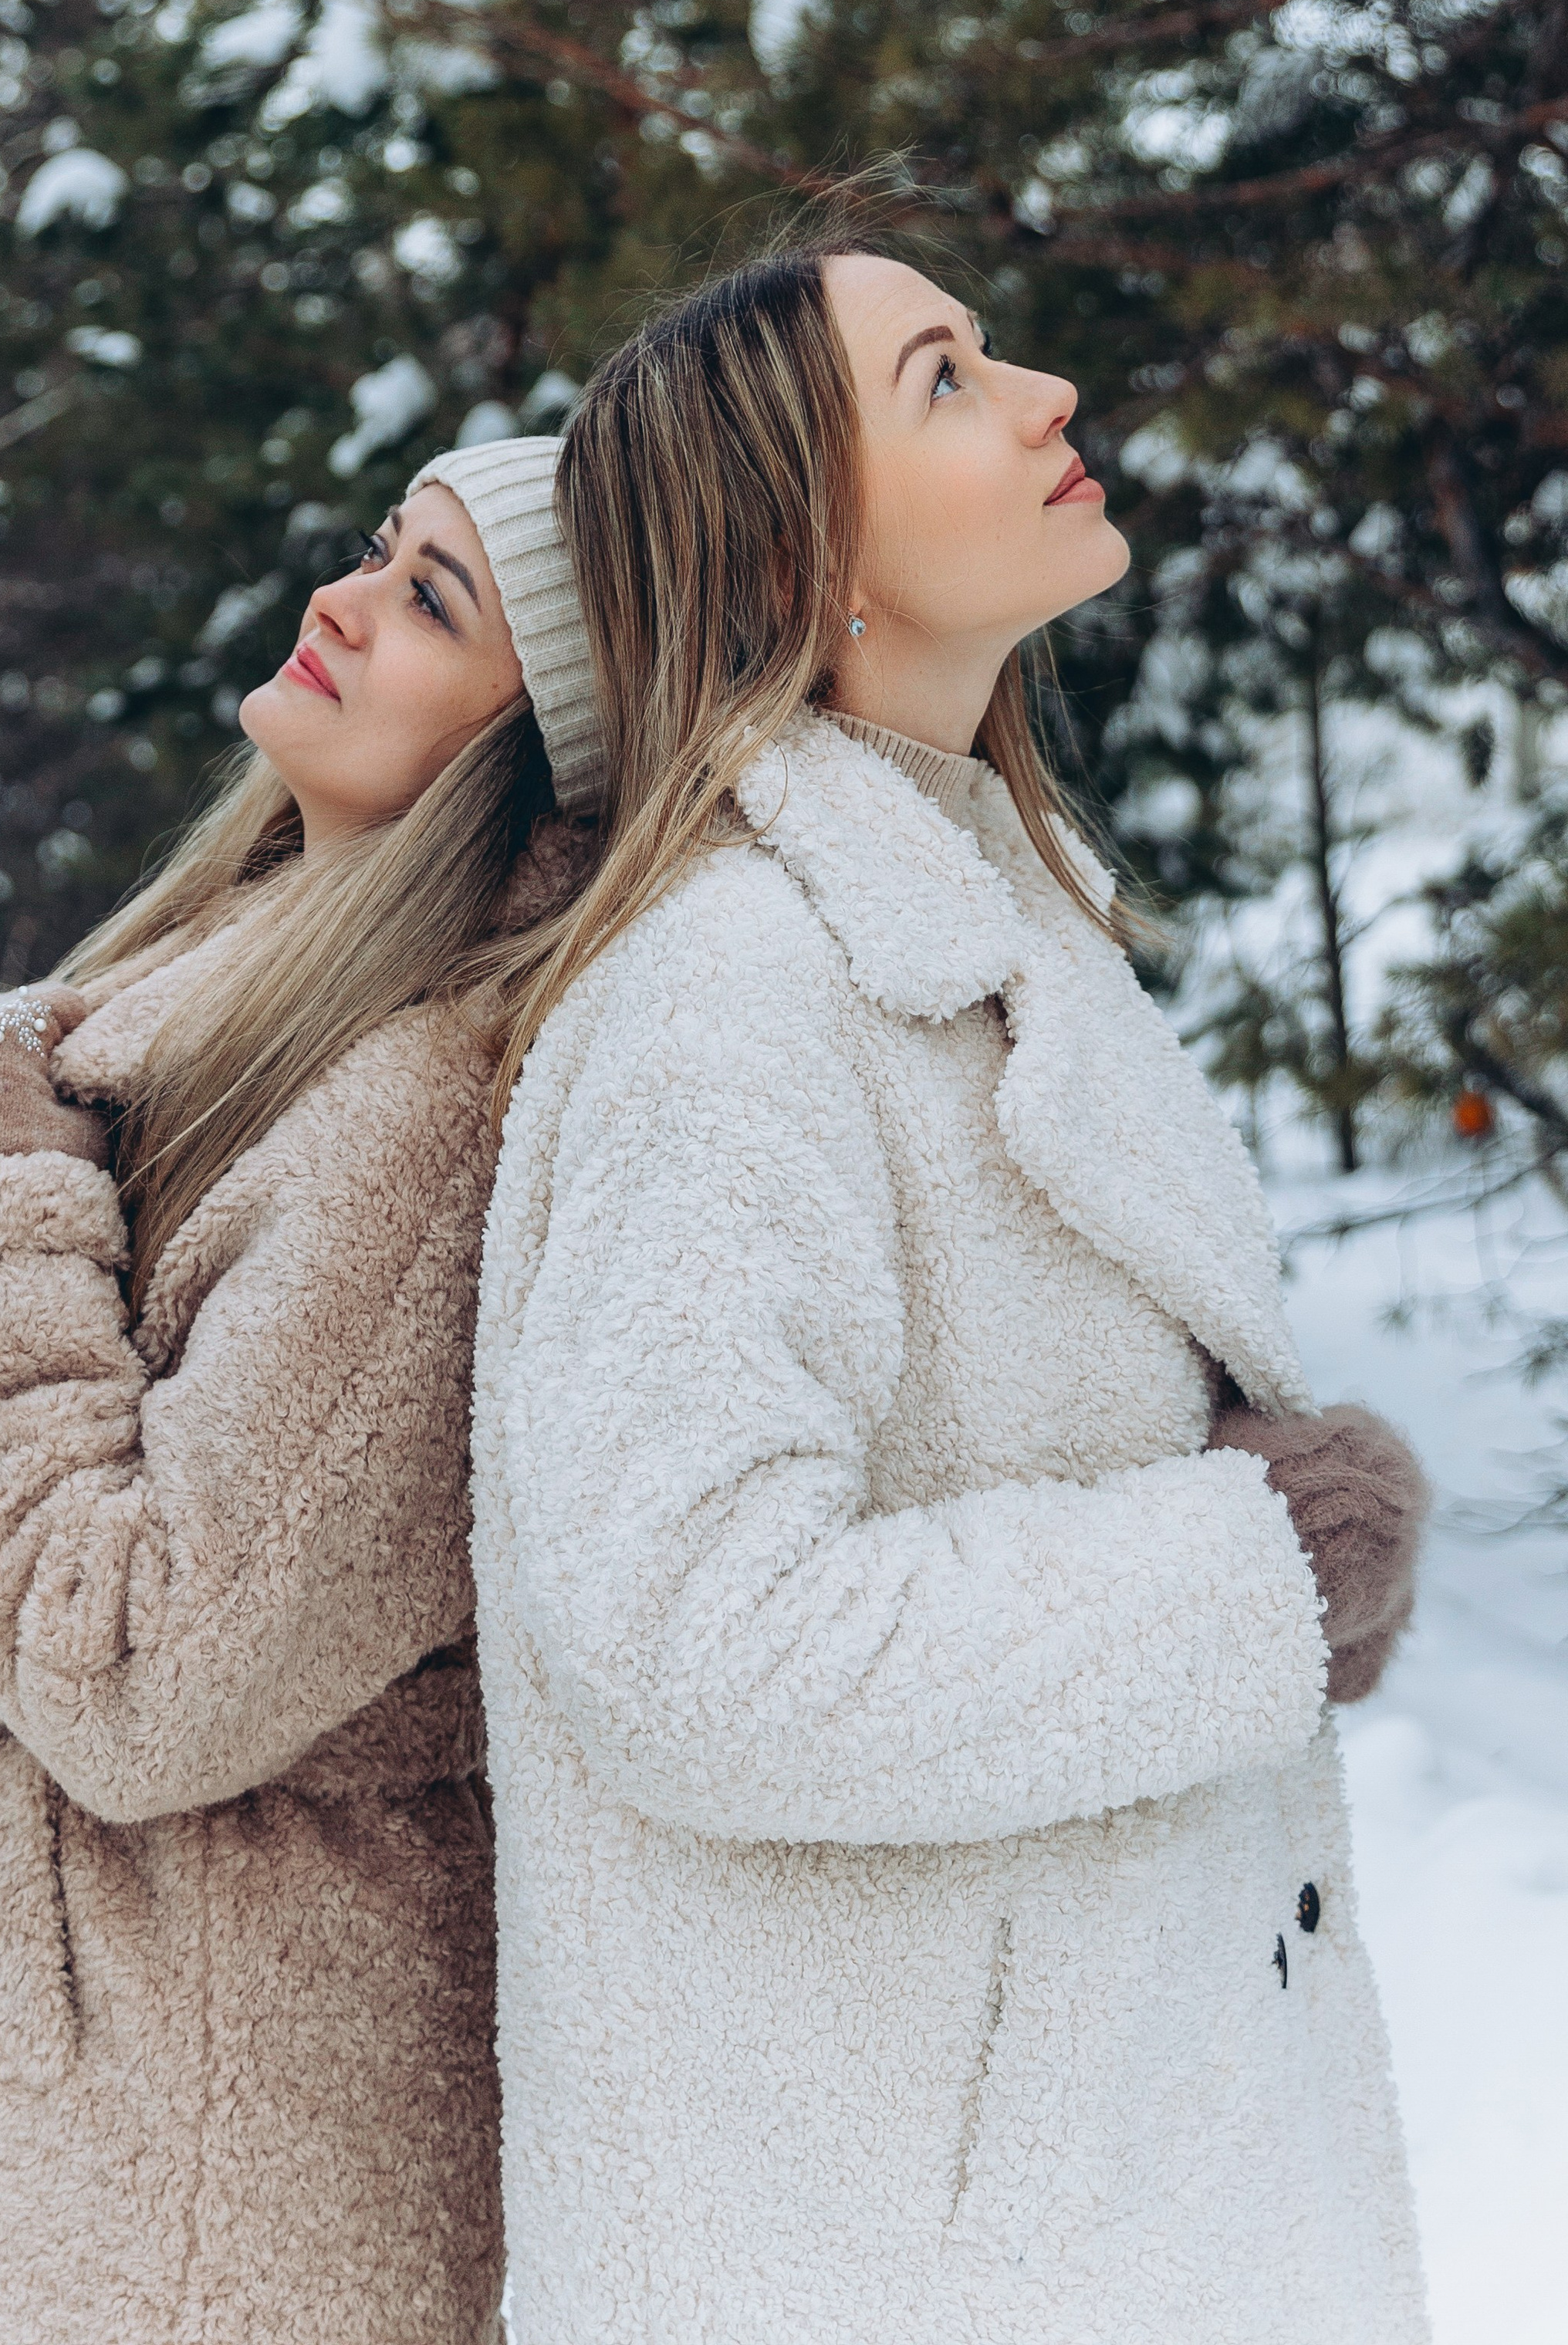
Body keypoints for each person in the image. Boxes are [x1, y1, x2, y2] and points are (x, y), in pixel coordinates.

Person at [471, 236, 1431, 2343]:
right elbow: (689, 1646)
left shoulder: (991, 930)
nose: (1043, 393)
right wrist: (1242, 1568)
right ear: (802, 555)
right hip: (906, 2241)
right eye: (943, 378)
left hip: (1108, 2170)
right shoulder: (729, 992)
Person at [0, 437, 603, 2345]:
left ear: (541, 744)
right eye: (380, 548)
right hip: (110, 2074)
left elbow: (140, 1676)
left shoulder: (427, 1113)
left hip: (203, 2132)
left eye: (431, 599)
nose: (341, 600)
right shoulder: (267, 972)